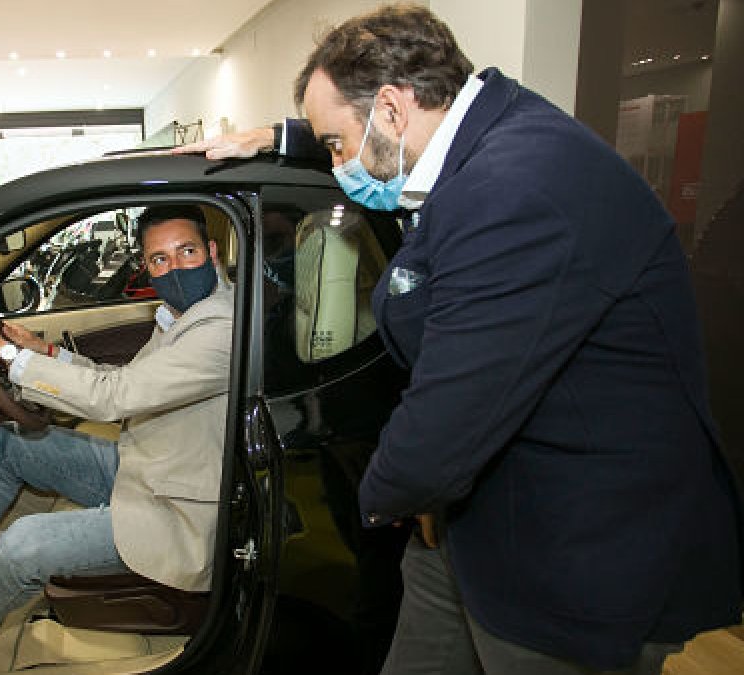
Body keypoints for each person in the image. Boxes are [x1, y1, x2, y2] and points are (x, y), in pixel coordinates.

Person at [182, 3, 743, 674]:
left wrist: (367, 491)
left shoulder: (515, 189)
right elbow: (362, 134)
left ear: (392, 108)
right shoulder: (479, 133)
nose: (336, 165)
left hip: (568, 568)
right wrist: (281, 137)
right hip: (471, 528)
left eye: (334, 144)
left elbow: (446, 421)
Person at [0, 205, 234, 675]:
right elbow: (124, 378)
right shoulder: (185, 315)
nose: (175, 268)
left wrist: (0, 352)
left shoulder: (217, 329)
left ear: (213, 251)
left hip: (177, 510)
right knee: (10, 445)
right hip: (153, 466)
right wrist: (43, 352)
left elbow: (113, 397)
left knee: (24, 545)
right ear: (147, 266)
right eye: (160, 260)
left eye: (187, 251)